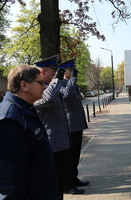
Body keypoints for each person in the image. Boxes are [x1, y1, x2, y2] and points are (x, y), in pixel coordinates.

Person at [0, 65, 60, 199]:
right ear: (24, 85)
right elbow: (9, 183)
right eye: (40, 82)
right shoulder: (10, 120)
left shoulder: (25, 109)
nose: (44, 87)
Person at [33, 55, 71, 199]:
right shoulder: (39, 89)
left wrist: (64, 78)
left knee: (60, 179)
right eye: (54, 71)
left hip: (61, 140)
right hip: (52, 143)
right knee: (54, 182)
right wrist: (58, 79)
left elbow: (65, 92)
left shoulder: (52, 85)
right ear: (43, 73)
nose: (57, 74)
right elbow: (48, 99)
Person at [59, 59, 89, 194]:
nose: (73, 72)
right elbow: (66, 97)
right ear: (64, 71)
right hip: (70, 125)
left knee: (76, 154)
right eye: (71, 70)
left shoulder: (70, 83)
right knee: (70, 156)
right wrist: (72, 80)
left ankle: (74, 178)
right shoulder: (61, 84)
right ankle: (68, 184)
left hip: (76, 124)